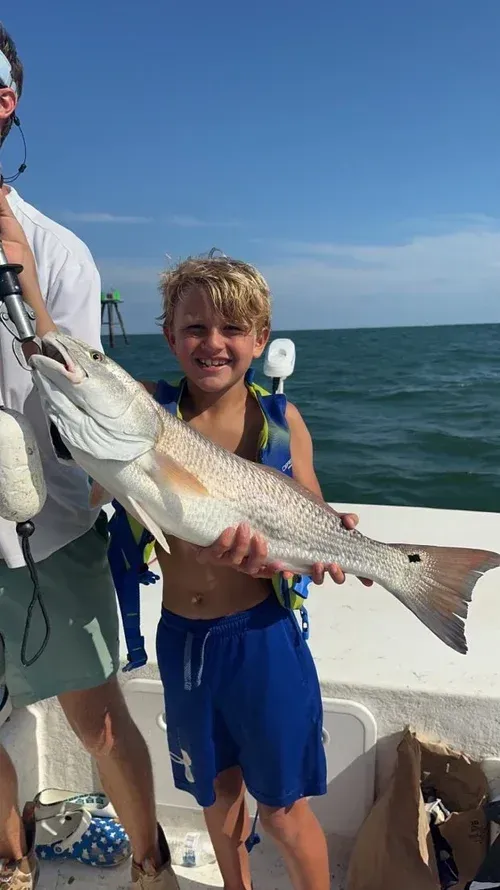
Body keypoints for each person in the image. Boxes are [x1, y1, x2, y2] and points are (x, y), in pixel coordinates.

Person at [0, 24, 180, 890]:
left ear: (6, 101)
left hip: (49, 532)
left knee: (98, 723)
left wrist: (23, 284)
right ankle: (11, 861)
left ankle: (149, 865)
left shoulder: (58, 252)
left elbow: (85, 409)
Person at [133, 254, 372, 890]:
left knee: (286, 809)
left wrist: (336, 537)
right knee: (216, 797)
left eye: (233, 329)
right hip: (183, 642)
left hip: (264, 637)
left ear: (260, 338)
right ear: (169, 337)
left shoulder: (282, 420)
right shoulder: (147, 413)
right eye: (194, 329)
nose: (213, 343)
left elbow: (311, 505)